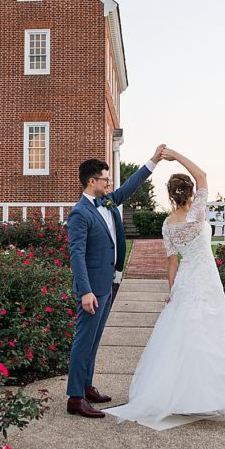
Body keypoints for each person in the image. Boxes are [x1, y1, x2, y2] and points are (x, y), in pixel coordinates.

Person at [103, 147, 225, 430]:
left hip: (186, 281)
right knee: (210, 331)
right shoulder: (197, 214)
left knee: (183, 334)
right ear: (191, 193)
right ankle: (207, 395)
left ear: (170, 196)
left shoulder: (168, 225)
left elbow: (172, 261)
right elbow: (203, 174)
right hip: (206, 278)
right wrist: (176, 155)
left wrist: (172, 289)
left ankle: (182, 396)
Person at [65, 145, 166, 418]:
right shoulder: (79, 214)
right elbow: (76, 255)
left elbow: (131, 185)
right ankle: (75, 398)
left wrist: (153, 160)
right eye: (106, 179)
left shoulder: (108, 202)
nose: (110, 184)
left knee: (95, 340)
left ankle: (86, 386)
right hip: (91, 290)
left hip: (107, 285)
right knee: (83, 340)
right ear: (92, 182)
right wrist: (85, 291)